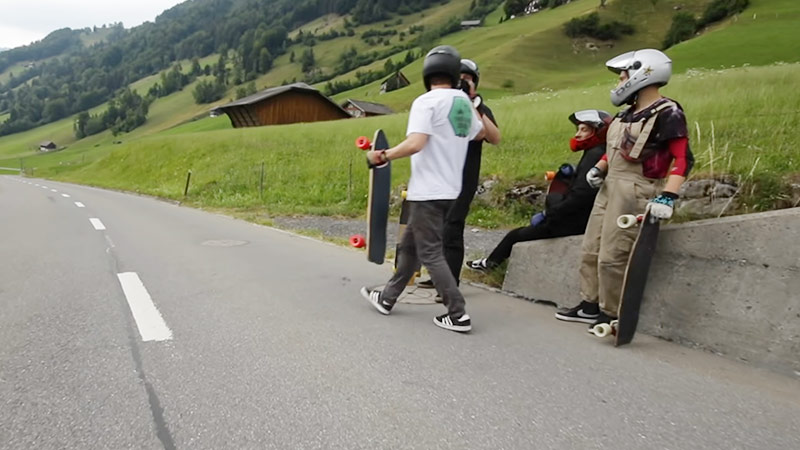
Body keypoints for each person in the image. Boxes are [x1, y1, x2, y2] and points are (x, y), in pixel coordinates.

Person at [555, 49, 694, 327]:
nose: (619, 80)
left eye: (623, 74)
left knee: (613, 255)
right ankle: (589, 304)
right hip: (609, 186)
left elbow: (683, 158)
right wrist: (600, 169)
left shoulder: (668, 112)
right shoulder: (625, 114)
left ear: (644, 73)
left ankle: (612, 312)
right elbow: (614, 150)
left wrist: (668, 196)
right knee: (590, 249)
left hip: (636, 188)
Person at [360, 45, 485, 333]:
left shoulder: (426, 102)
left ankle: (457, 313)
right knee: (410, 246)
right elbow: (482, 133)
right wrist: (469, 98)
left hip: (429, 190)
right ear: (454, 74)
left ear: (427, 74)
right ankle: (387, 297)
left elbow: (417, 143)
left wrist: (383, 156)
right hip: (450, 190)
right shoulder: (463, 103)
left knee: (429, 252)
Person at [464, 109, 610, 272]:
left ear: (599, 131)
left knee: (515, 235)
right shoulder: (597, 153)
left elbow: (582, 195)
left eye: (584, 130)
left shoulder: (594, 155)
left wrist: (553, 213)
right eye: (578, 129)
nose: (577, 135)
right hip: (580, 218)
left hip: (573, 222)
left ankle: (490, 264)